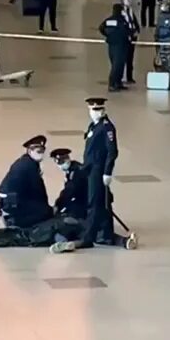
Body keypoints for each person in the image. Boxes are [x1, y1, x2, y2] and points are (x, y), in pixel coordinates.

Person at [53, 98, 121, 253]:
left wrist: (107, 172)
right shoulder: (94, 126)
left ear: (103, 111)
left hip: (98, 170)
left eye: (97, 110)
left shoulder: (107, 128)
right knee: (96, 201)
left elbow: (112, 151)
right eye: (92, 110)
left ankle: (88, 237)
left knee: (94, 203)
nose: (94, 113)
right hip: (90, 169)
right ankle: (103, 233)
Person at [50, 148, 137, 249]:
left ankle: (123, 241)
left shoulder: (76, 172)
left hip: (91, 203)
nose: (61, 165)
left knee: (96, 232)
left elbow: (69, 192)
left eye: (62, 161)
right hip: (94, 200)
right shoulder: (77, 168)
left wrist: (58, 205)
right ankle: (123, 241)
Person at [0, 135, 54, 229]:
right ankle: (15, 221)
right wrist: (47, 207)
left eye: (42, 151)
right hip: (13, 202)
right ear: (29, 150)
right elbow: (38, 189)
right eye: (38, 151)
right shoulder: (29, 166)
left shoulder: (25, 161)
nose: (41, 154)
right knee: (45, 212)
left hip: (9, 199)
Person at [101, 2, 131, 92]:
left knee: (119, 65)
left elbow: (101, 28)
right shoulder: (122, 21)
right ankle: (112, 84)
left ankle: (118, 82)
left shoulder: (109, 20)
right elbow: (127, 31)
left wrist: (108, 35)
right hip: (120, 45)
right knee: (117, 65)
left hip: (112, 44)